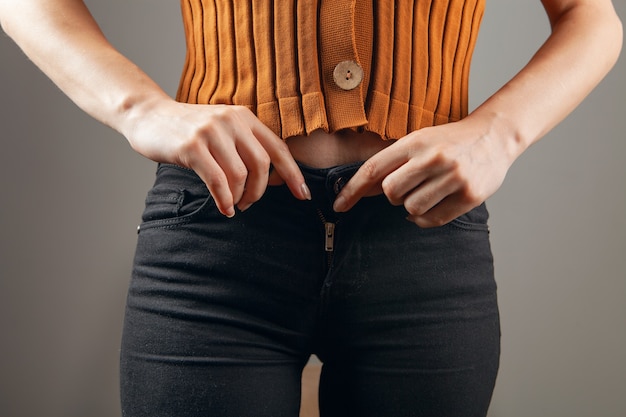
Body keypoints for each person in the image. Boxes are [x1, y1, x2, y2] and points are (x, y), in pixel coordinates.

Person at [0, 0, 621, 416]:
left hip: (420, 237)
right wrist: (140, 108)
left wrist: (498, 133)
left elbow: (589, 15)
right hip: (217, 235)